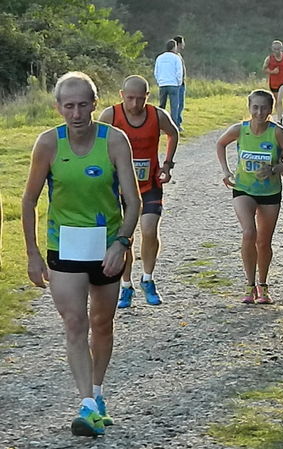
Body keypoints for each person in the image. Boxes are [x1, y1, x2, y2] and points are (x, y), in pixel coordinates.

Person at [21, 72, 141, 437]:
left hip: (107, 246)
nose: (76, 113)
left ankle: (99, 393)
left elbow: (133, 201)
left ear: (94, 103)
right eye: (68, 106)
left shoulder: (115, 141)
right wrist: (32, 254)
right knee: (75, 323)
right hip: (65, 245)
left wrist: (121, 242)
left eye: (83, 104)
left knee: (103, 323)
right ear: (58, 107)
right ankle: (86, 403)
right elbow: (29, 200)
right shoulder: (48, 144)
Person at [99, 75, 179, 308]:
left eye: (140, 99)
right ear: (121, 95)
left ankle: (148, 279)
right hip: (119, 190)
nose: (134, 104)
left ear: (148, 97)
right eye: (130, 98)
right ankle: (126, 286)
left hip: (149, 185)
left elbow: (173, 133)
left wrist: (167, 164)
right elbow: (98, 142)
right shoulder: (111, 116)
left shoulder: (157, 115)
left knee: (149, 229)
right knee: (124, 238)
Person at [216, 89, 283, 304]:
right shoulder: (240, 130)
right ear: (249, 107)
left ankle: (263, 285)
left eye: (264, 108)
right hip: (243, 188)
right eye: (255, 107)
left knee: (264, 241)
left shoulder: (277, 132)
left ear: (271, 109)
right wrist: (226, 172)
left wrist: (274, 169)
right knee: (248, 233)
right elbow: (220, 144)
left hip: (269, 192)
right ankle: (249, 285)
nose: (259, 112)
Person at [262, 40, 283, 125]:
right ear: (272, 49)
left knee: (280, 100)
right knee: (276, 101)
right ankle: (277, 116)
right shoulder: (269, 58)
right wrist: (272, 71)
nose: (277, 51)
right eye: (275, 49)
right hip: (273, 82)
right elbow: (264, 69)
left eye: (278, 49)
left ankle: (280, 119)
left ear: (281, 48)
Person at [154, 39, 183, 129]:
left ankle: (160, 124)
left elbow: (156, 72)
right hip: (173, 84)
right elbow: (179, 72)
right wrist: (179, 82)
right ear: (174, 47)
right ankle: (173, 126)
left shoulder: (160, 57)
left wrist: (159, 81)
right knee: (174, 107)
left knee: (162, 106)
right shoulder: (176, 58)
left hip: (163, 84)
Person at [173, 35, 186, 131]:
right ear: (179, 44)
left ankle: (177, 122)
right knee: (178, 104)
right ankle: (177, 123)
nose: (184, 44)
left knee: (179, 104)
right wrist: (179, 81)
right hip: (178, 83)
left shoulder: (178, 55)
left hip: (180, 82)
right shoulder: (175, 56)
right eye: (183, 42)